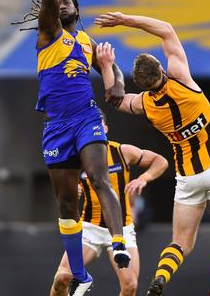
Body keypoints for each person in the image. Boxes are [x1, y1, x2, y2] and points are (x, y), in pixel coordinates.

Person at [94, 12, 210, 296]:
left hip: (187, 176)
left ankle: (160, 279)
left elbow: (114, 99)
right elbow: (166, 30)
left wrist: (107, 66)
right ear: (161, 68)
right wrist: (124, 19)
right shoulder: (181, 80)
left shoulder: (146, 105)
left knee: (180, 244)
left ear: (142, 84)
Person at [31, 0, 130, 296]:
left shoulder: (88, 43)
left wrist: (110, 73)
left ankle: (119, 242)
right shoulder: (47, 34)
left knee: (101, 178)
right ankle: (80, 274)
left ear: (77, 11)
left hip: (86, 117)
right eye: (55, 1)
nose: (60, 4)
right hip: (56, 126)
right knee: (67, 203)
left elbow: (115, 87)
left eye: (66, 1)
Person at [51, 112, 169, 296]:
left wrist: (144, 178)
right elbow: (64, 188)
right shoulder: (77, 158)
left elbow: (160, 161)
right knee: (62, 278)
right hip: (90, 227)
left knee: (130, 286)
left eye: (98, 126)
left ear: (105, 129)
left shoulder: (122, 152)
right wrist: (73, 188)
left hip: (122, 228)